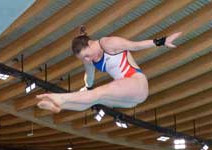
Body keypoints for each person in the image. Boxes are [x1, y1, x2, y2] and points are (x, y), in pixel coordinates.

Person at [36, 26, 182, 113]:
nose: (87, 60)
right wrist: (88, 87)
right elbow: (89, 76)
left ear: (91, 43)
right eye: (83, 59)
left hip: (136, 83)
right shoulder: (91, 60)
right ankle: (60, 106)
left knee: (100, 92)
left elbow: (135, 46)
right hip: (129, 100)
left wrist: (161, 41)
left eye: (86, 55)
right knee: (94, 99)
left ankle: (60, 98)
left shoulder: (109, 43)